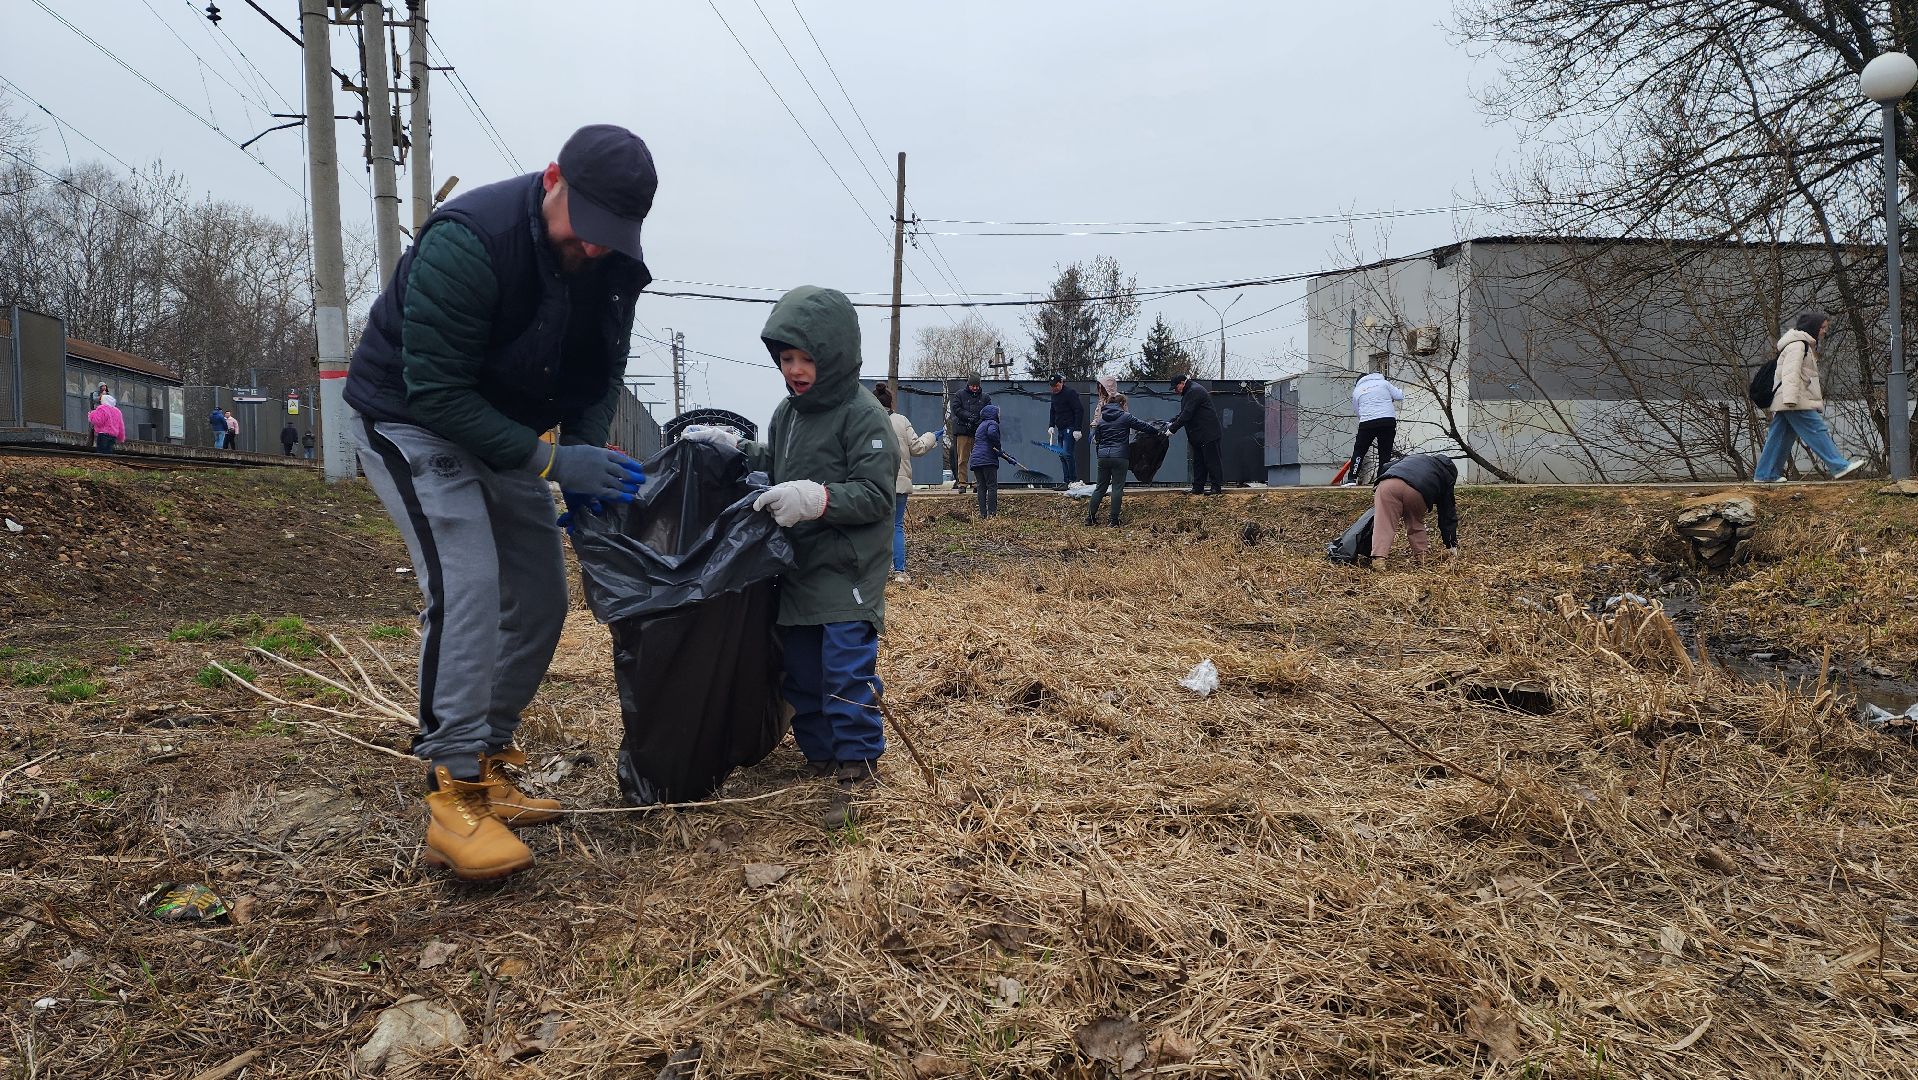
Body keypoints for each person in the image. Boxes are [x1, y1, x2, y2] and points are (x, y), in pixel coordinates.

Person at [342, 123, 657, 880]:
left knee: (543, 596)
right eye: (583, 231)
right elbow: (438, 392)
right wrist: (552, 459)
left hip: (505, 429)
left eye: (610, 238)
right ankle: (451, 790)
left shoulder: (612, 269)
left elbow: (595, 378)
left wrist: (583, 457)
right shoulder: (469, 241)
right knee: (469, 582)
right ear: (553, 178)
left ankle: (487, 759)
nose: (591, 250)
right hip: (410, 419)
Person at [681, 286, 896, 830]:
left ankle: (858, 763)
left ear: (835, 356)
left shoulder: (862, 415)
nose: (794, 370)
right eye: (785, 359)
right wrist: (731, 447)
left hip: (846, 567)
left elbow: (875, 495)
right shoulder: (787, 413)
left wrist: (817, 498)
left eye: (805, 358)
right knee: (799, 671)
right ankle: (821, 754)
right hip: (797, 568)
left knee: (844, 669)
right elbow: (772, 462)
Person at [1754, 308, 1866, 483]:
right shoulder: (1798, 345)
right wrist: (1791, 399)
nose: (1824, 331)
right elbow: (1790, 373)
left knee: (1779, 437)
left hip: (1791, 399)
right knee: (1816, 430)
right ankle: (1839, 466)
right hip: (1794, 399)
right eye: (1822, 327)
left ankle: (1765, 474)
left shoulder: (1801, 345)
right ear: (1813, 327)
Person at [872, 382, 938, 582]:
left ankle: (875, 571)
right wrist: (931, 437)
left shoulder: (866, 420)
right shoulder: (901, 421)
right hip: (899, 484)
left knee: (874, 526)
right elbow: (917, 448)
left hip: (873, 484)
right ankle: (900, 571)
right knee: (897, 525)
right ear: (890, 402)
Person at [1371, 452, 1459, 563]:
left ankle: (1379, 558)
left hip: (1387, 484)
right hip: (1417, 491)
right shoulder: (1446, 475)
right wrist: (1451, 544)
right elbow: (1447, 514)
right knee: (1415, 523)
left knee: (1384, 522)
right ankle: (1422, 557)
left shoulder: (1415, 457)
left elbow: (1386, 466)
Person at [1086, 393, 1157, 526]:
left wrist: (1101, 455)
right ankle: (1113, 520)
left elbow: (1098, 440)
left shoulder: (1101, 420)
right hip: (1120, 456)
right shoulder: (1125, 417)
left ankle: (1090, 518)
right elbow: (1143, 426)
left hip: (1103, 457)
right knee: (1117, 487)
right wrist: (1157, 431)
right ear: (1122, 404)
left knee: (1100, 487)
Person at [1164, 373, 1223, 495]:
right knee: (1198, 462)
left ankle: (1216, 487)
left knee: (1212, 461)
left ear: (1182, 383)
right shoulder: (1190, 391)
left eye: (1176, 388)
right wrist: (1171, 421)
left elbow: (1187, 414)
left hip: (1208, 433)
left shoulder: (1194, 391)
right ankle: (1197, 487)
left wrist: (1172, 429)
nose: (1175, 391)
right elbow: (1184, 413)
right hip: (1199, 435)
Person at [1345, 371, 1404, 486]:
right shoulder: (1384, 383)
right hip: (1387, 420)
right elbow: (1400, 396)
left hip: (1367, 422)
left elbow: (1358, 411)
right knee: (1385, 451)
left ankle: (1352, 478)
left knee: (1359, 450)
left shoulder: (1357, 390)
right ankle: (1381, 479)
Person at [968, 402, 1011, 518]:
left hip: (976, 460)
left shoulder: (980, 426)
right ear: (993, 414)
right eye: (998, 413)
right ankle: (992, 513)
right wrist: (998, 445)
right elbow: (992, 435)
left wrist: (1006, 456)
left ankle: (983, 514)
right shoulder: (992, 423)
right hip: (988, 460)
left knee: (981, 486)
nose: (999, 415)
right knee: (991, 486)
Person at [948, 376, 989, 493]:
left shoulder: (985, 397)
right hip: (963, 431)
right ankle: (962, 483)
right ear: (969, 385)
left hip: (978, 432)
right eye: (973, 386)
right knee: (962, 459)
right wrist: (968, 417)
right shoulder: (960, 395)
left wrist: (978, 420)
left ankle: (978, 483)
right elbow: (956, 408)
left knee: (978, 459)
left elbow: (988, 410)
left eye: (977, 386)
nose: (975, 388)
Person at [1047, 374, 1085, 485]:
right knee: (1061, 455)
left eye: (1056, 386)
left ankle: (1072, 480)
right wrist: (1051, 425)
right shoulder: (1054, 396)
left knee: (1067, 453)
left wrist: (1077, 428)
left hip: (1070, 426)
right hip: (1061, 428)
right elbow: (1052, 411)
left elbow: (1079, 410)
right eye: (1052, 386)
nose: (1054, 388)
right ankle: (1066, 480)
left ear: (1061, 383)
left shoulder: (1070, 393)